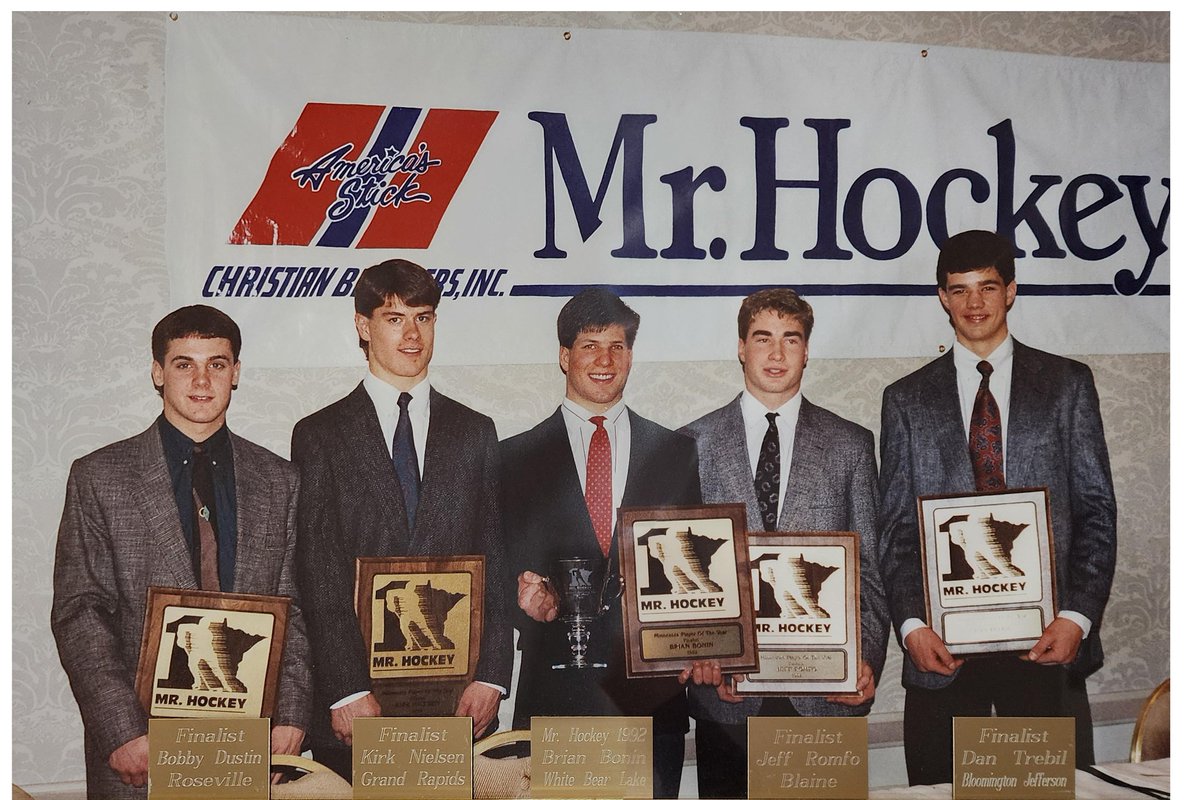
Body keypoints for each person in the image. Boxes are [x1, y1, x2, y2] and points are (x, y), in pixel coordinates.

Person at [878, 230, 1117, 784]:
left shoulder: (1066, 384)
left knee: (1041, 794)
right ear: (942, 297)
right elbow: (894, 529)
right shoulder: (905, 399)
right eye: (959, 290)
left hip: (1045, 644)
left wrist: (1076, 617)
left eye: (987, 287)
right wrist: (912, 625)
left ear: (1011, 290)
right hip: (942, 651)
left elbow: (1097, 512)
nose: (974, 303)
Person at [51, 305, 311, 800]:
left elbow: (292, 608)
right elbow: (79, 613)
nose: (201, 379)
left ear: (236, 374)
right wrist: (120, 730)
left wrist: (293, 717)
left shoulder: (280, 480)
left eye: (216, 363)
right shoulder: (100, 476)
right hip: (141, 748)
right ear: (157, 371)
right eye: (183, 363)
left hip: (253, 742)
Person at [291, 259, 511, 780]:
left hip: (455, 700)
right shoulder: (319, 434)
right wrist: (346, 688)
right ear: (364, 327)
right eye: (395, 318)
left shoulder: (475, 431)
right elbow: (318, 572)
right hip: (358, 701)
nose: (413, 334)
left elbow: (497, 559)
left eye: (425, 317)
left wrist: (492, 678)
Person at [679, 288, 888, 799]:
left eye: (790, 340)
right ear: (740, 347)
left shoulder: (852, 445)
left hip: (822, 693)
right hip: (728, 696)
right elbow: (680, 570)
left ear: (807, 350)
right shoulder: (690, 444)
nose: (776, 354)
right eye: (763, 339)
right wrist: (700, 654)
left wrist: (867, 659)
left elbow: (870, 577)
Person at [502, 288, 701, 798]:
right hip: (556, 694)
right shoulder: (512, 460)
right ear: (564, 356)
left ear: (631, 355)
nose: (605, 360)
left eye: (617, 346)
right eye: (590, 345)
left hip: (652, 698)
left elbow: (696, 572)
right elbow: (492, 574)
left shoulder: (677, 453)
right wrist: (521, 600)